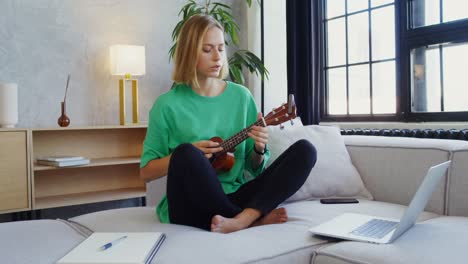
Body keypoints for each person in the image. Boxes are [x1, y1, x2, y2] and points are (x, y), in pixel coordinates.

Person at [140, 14, 317, 233]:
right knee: (186, 152)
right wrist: (186, 157)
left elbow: (254, 168)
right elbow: (146, 172)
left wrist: (260, 149)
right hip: (190, 204)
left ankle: (241, 220)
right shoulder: (166, 105)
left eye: (221, 49)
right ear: (188, 52)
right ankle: (252, 219)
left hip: (236, 196)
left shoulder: (241, 97)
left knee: (306, 151)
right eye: (207, 50)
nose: (217, 57)